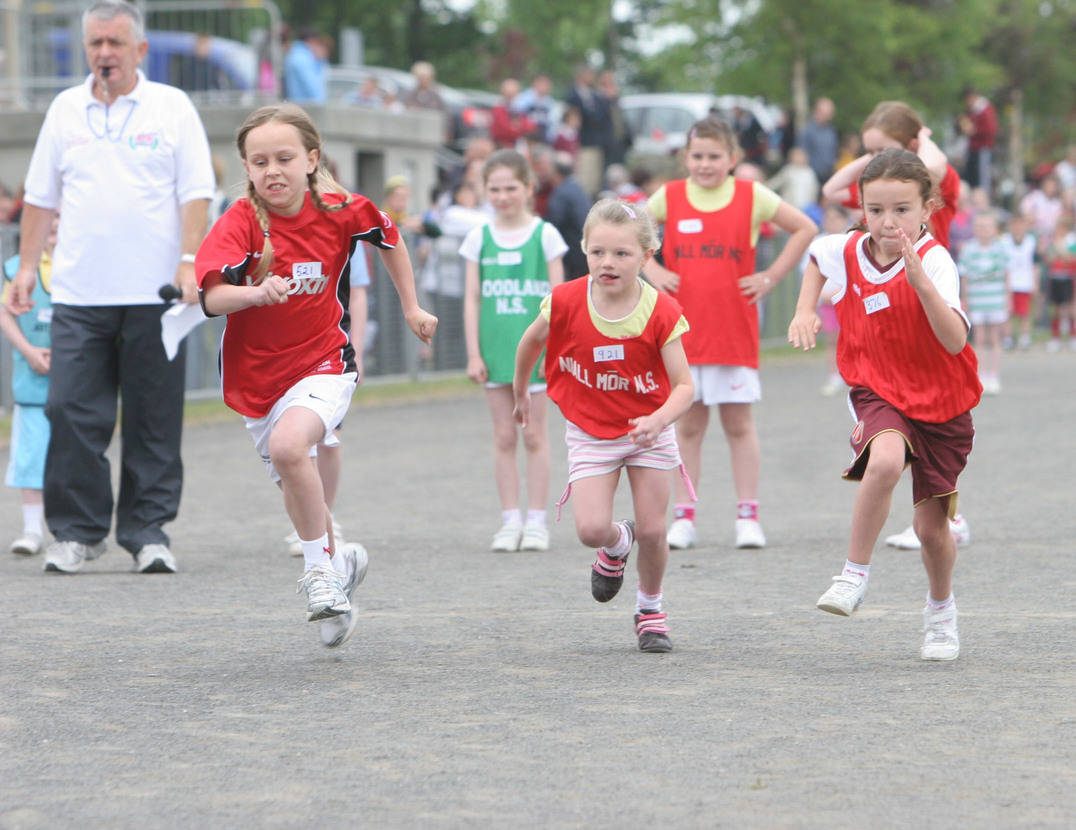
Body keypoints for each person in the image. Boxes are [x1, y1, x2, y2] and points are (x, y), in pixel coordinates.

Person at [195, 103, 437, 646]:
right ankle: (341, 564)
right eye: (259, 161)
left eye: (284, 157)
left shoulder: (341, 209)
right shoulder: (239, 220)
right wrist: (255, 292)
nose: (272, 170)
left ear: (311, 159)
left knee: (290, 449)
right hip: (256, 379)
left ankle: (320, 575)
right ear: (247, 167)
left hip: (325, 361)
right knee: (296, 485)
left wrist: (412, 308)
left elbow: (391, 241)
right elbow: (210, 297)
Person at [8, 0, 214, 575]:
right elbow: (40, 197)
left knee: (153, 416)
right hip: (77, 292)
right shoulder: (64, 110)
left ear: (139, 50)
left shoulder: (171, 108)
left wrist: (190, 260)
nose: (104, 54)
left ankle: (148, 532)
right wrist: (26, 269)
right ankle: (78, 531)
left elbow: (195, 190)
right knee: (69, 408)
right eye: (96, 43)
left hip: (155, 295)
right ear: (85, 49)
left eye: (115, 43)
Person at [789, 148, 982, 662]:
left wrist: (920, 283)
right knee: (887, 458)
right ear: (862, 210)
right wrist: (806, 308)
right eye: (875, 210)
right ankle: (853, 574)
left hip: (941, 404)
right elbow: (816, 256)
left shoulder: (937, 261)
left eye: (901, 209)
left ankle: (941, 613)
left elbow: (954, 343)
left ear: (927, 208)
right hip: (877, 388)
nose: (887, 221)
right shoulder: (849, 250)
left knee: (930, 530)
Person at [512, 199, 694, 652]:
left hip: (646, 431)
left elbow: (685, 386)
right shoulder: (565, 301)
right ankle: (616, 544)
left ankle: (650, 610)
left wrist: (658, 419)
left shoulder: (662, 310)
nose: (607, 263)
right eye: (597, 253)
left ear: (647, 257)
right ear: (584, 250)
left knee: (655, 529)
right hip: (592, 430)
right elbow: (530, 343)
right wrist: (520, 392)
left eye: (621, 254)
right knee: (591, 529)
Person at [643, 116, 816, 550]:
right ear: (685, 158)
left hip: (733, 330)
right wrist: (653, 269)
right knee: (689, 426)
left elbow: (805, 228)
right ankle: (684, 517)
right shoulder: (671, 195)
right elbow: (630, 228)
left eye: (714, 156)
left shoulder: (751, 194)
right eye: (697, 156)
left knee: (738, 424)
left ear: (733, 159)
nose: (705, 164)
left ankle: (747, 515)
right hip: (681, 334)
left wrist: (773, 276)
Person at [460, 149, 567, 552]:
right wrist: (474, 353)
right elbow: (472, 298)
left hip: (537, 355)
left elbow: (560, 300)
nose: (503, 196)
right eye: (494, 189)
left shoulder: (546, 235)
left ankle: (537, 520)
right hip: (495, 350)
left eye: (511, 188)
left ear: (528, 188)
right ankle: (509, 520)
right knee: (504, 436)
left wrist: (557, 349)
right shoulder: (478, 237)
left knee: (535, 435)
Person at [1, 215, 57, 557]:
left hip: (74, 377)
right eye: (46, 217)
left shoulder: (83, 265)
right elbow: (5, 312)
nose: (52, 224)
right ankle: (32, 530)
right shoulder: (15, 268)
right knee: (31, 456)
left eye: (59, 217)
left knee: (72, 457)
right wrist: (29, 350)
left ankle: (74, 529)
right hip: (32, 376)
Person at [958, 211, 1008, 394]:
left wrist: (1007, 299)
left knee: (995, 337)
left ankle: (994, 374)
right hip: (977, 300)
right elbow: (965, 277)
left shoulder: (1001, 249)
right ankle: (980, 375)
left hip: (996, 299)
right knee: (978, 338)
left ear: (995, 229)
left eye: (987, 226)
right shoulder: (968, 249)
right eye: (979, 226)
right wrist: (965, 299)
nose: (983, 230)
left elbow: (1006, 275)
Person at [532, 147, 591, 281]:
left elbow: (554, 222)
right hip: (583, 247)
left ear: (555, 171)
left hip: (574, 251)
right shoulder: (576, 187)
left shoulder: (561, 193)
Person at [1000, 213, 1038, 350]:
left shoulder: (1031, 241)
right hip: (1008, 283)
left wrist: (1035, 282)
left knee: (1024, 313)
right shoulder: (1004, 241)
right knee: (1007, 313)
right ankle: (1007, 338)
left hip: (1024, 283)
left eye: (1021, 224)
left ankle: (1024, 337)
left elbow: (1035, 264)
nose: (1018, 227)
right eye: (1015, 224)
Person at [1042, 209, 1076, 352]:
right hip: (1055, 277)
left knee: (1070, 309)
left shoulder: (1071, 241)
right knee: (1055, 309)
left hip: (1069, 277)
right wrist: (1059, 254)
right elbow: (1048, 259)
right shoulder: (1053, 242)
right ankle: (1055, 337)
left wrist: (1060, 251)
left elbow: (1070, 259)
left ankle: (1072, 337)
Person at [959, 86, 998, 195]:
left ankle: (983, 198)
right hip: (974, 148)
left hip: (983, 148)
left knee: (983, 177)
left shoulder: (984, 109)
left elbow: (990, 130)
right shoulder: (973, 111)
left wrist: (974, 131)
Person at [765, 146, 820, 212]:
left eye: (801, 155)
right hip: (790, 207)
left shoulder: (810, 172)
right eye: (797, 155)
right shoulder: (788, 170)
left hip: (806, 208)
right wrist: (762, 186)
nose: (800, 158)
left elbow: (815, 190)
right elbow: (774, 184)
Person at [489, 78, 538, 150]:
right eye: (508, 91)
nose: (510, 94)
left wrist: (517, 127)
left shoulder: (520, 109)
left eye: (513, 91)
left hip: (517, 145)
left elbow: (531, 127)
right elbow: (503, 130)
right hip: (500, 145)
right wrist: (517, 128)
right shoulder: (498, 109)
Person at [283, 28, 329, 105]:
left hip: (297, 105)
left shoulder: (294, 54)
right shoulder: (303, 59)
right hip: (307, 107)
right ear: (311, 40)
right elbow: (312, 88)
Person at [799, 97, 839, 184]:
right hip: (812, 177)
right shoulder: (808, 131)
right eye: (826, 114)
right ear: (817, 112)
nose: (829, 117)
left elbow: (834, 153)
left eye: (830, 113)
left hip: (829, 176)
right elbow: (801, 154)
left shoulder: (832, 131)